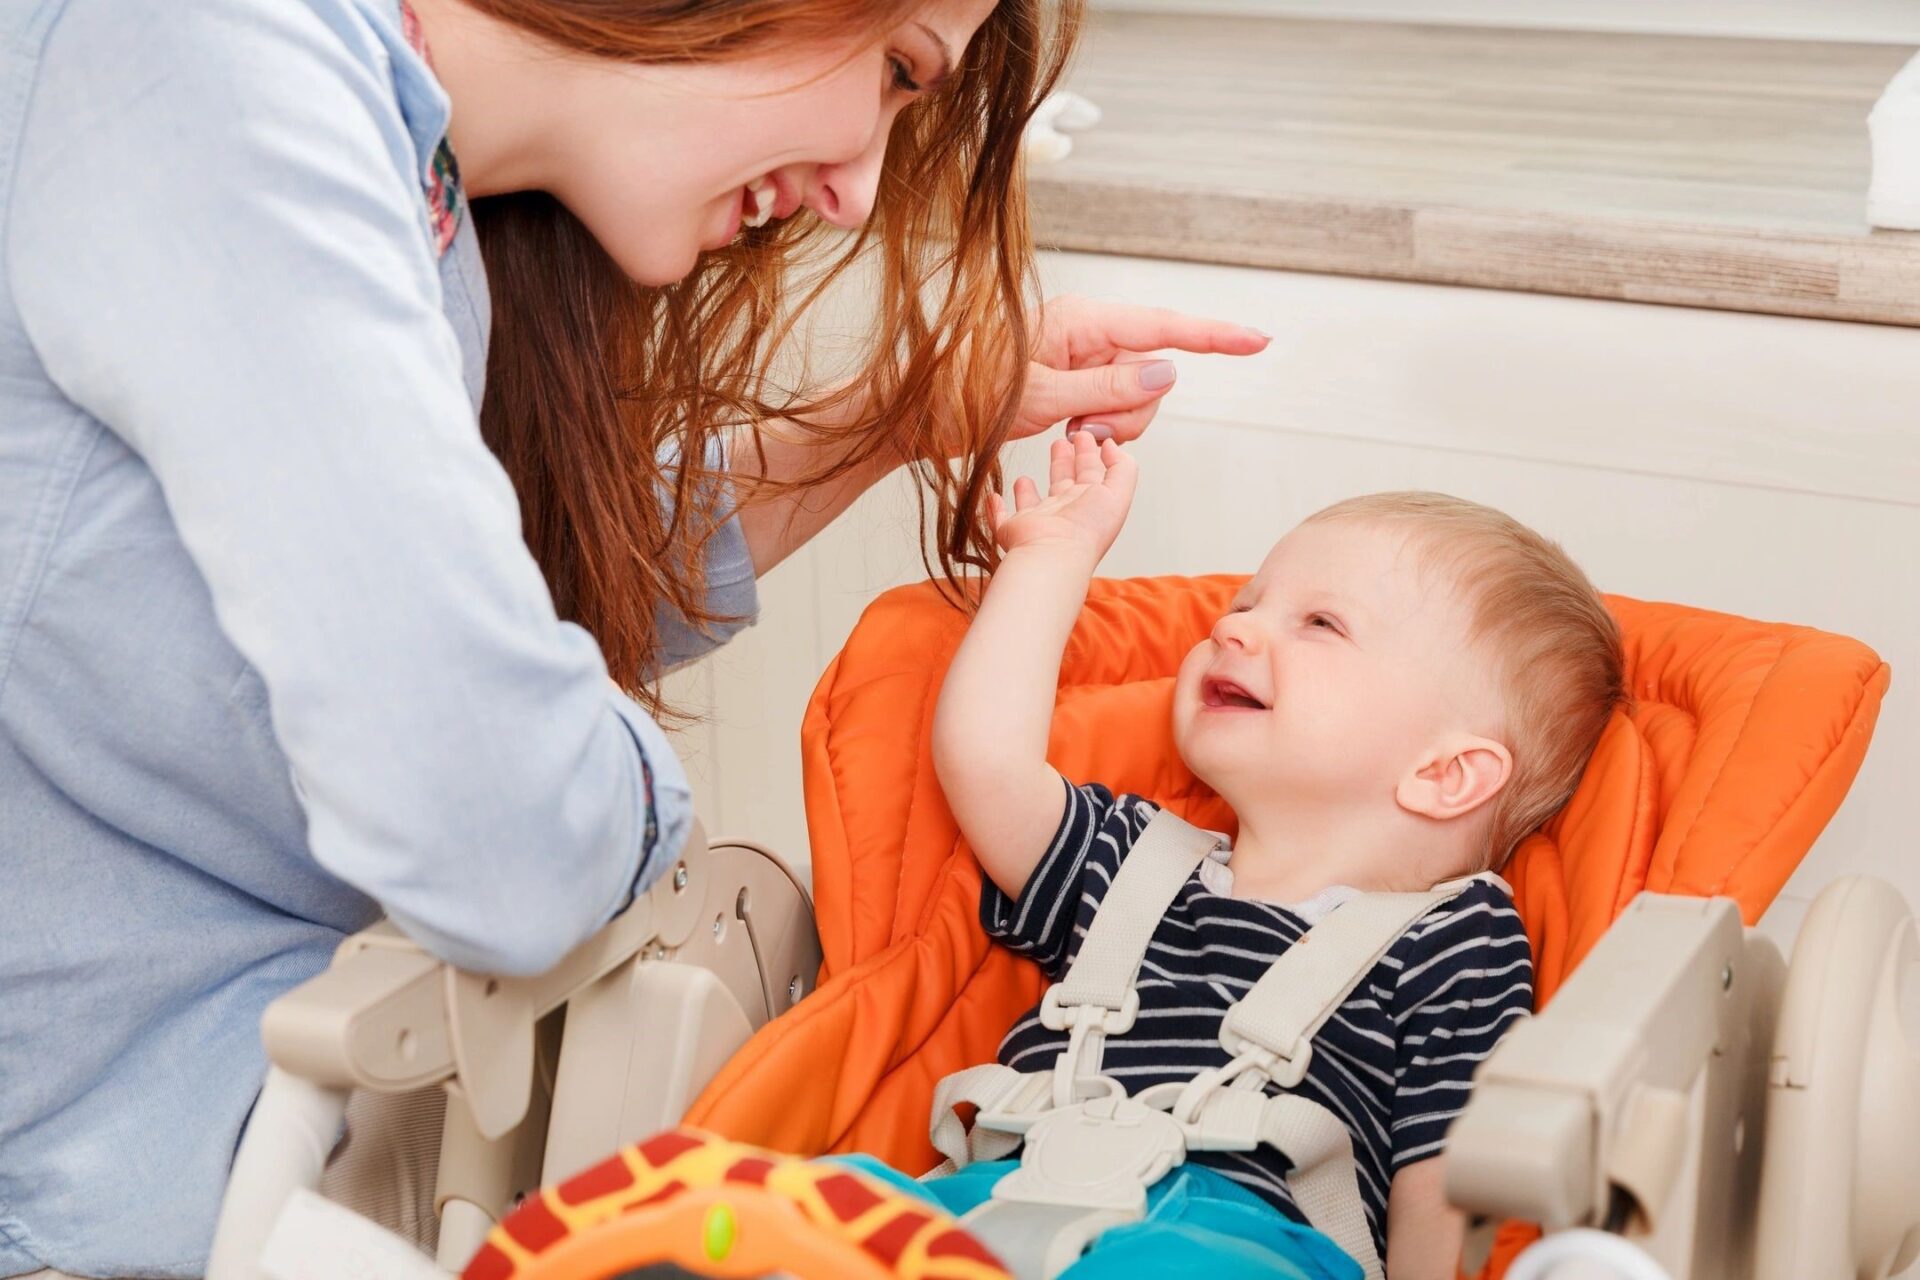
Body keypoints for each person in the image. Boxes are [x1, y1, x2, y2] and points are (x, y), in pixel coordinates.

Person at [0, 0, 1271, 1273]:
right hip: (101, 1195)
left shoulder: (418, 186)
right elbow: (497, 807)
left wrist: (895, 417)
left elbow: (521, 602)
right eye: (893, 69)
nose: (855, 189)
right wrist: (551, 725)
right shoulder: (201, 58)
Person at [894, 437, 1625, 1277]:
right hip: (999, 1199)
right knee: (808, 1199)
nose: (1232, 626)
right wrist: (1051, 557)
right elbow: (986, 762)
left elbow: (1444, 1181)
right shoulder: (1129, 864)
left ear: (1444, 773)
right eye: (1245, 604)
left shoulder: (1457, 936)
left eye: (1320, 623)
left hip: (1236, 1237)